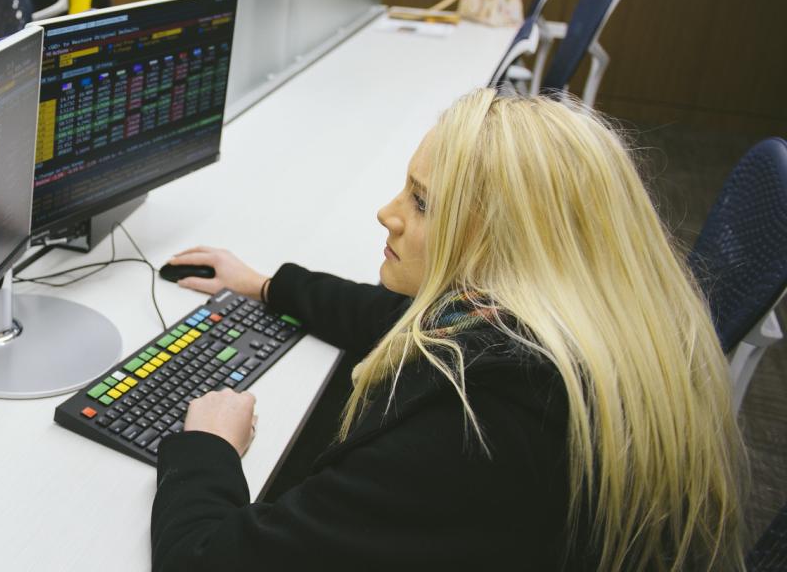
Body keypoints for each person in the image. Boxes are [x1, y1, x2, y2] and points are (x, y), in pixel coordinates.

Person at [152, 90, 744, 570]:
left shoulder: (478, 424)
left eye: (423, 202)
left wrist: (208, 449)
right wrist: (266, 284)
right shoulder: (566, 323)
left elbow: (201, 561)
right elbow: (394, 318)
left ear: (505, 245)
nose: (388, 213)